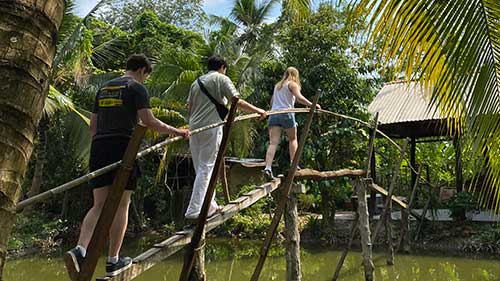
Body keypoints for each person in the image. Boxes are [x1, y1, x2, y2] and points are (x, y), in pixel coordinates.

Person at [64, 54, 190, 278]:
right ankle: (113, 260)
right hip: (124, 147)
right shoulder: (136, 87)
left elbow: (93, 126)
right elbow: (149, 121)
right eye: (146, 76)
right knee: (122, 203)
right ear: (143, 70)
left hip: (99, 147)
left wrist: (103, 142)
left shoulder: (104, 88)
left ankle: (80, 249)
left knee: (99, 204)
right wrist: (177, 131)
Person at [185, 55, 267, 220]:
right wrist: (258, 110)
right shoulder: (221, 78)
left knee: (201, 168)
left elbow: (190, 107)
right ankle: (194, 210)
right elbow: (236, 100)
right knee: (207, 168)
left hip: (194, 129)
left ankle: (210, 206)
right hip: (212, 128)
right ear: (222, 67)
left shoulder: (197, 82)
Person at [263, 67, 321, 179]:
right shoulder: (292, 84)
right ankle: (293, 164)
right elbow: (299, 98)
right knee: (293, 139)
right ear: (295, 75)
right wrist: (313, 104)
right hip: (286, 114)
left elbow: (272, 102)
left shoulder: (278, 86)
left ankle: (268, 168)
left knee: (273, 143)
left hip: (274, 114)